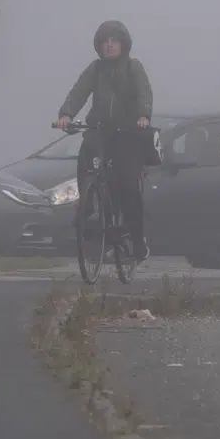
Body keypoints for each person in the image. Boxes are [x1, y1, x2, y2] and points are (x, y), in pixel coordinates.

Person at [53, 20, 154, 262]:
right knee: (86, 159)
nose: (109, 46)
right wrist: (66, 114)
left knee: (128, 184)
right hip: (99, 129)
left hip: (127, 132)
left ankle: (137, 239)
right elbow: (79, 91)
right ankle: (87, 205)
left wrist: (143, 115)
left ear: (123, 44)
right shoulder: (95, 69)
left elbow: (144, 92)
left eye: (114, 41)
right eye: (104, 42)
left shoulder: (133, 67)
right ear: (99, 46)